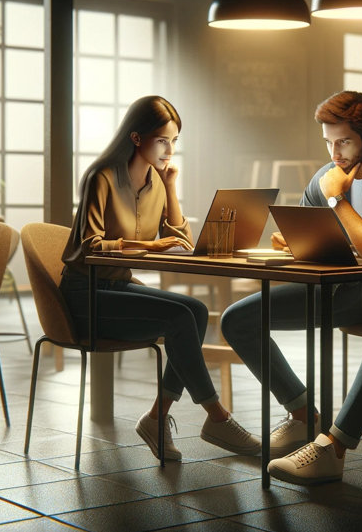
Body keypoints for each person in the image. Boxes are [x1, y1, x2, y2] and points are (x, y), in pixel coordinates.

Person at [222, 91, 362, 484]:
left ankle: (333, 447)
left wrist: (337, 197)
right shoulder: (325, 174)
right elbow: (310, 234)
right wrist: (293, 242)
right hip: (346, 289)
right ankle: (304, 415)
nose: (335, 152)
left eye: (343, 141)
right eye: (328, 141)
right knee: (238, 319)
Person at [59, 95, 259, 461]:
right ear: (137, 138)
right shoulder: (101, 176)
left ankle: (156, 417)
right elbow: (89, 246)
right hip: (84, 295)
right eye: (163, 140)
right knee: (182, 316)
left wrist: (169, 188)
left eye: (175, 141)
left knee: (195, 311)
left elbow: (180, 238)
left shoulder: (156, 179)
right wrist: (150, 244)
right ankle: (217, 416)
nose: (170, 150)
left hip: (118, 287)